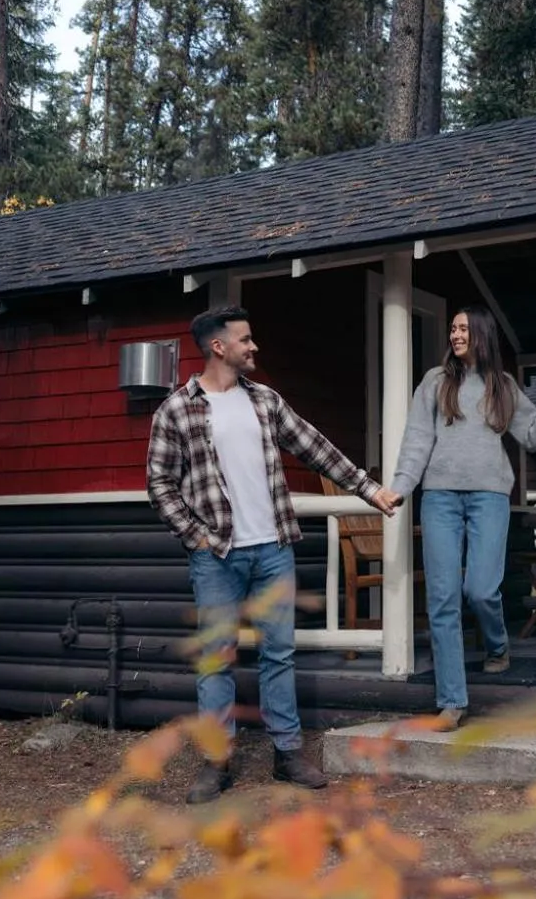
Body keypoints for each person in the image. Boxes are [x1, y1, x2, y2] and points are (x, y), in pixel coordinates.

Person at [147, 305, 399, 802]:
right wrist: (194, 535)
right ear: (219, 347)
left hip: (273, 549)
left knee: (278, 654)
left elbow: (316, 447)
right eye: (245, 339)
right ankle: (216, 763)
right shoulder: (177, 408)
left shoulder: (265, 400)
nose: (253, 346)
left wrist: (370, 490)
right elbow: (159, 482)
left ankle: (287, 754)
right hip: (216, 553)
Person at [388, 305, 536, 730]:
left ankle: (498, 645)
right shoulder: (435, 381)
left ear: (483, 333)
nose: (455, 334)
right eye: (452, 328)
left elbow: (534, 434)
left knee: (482, 589)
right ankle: (452, 702)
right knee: (443, 598)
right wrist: (401, 486)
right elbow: (417, 440)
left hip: (489, 497)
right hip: (439, 499)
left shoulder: (503, 386)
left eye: (463, 328)